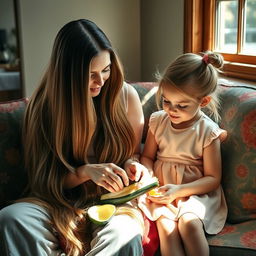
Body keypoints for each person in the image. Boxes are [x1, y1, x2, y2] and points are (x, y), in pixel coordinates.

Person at [0, 19, 148, 256]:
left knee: (123, 235)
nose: (101, 81)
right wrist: (84, 172)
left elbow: (132, 154)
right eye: (90, 74)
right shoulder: (43, 108)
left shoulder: (125, 97)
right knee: (11, 219)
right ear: (68, 74)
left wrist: (132, 165)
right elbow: (43, 180)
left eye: (106, 69)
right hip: (58, 200)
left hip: (114, 201)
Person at [138, 52, 228, 256]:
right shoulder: (158, 121)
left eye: (181, 105)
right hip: (162, 190)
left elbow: (213, 178)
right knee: (166, 229)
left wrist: (179, 191)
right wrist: (150, 178)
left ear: (203, 102)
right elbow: (147, 157)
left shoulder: (207, 131)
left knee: (189, 224)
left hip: (196, 193)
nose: (171, 110)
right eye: (166, 101)